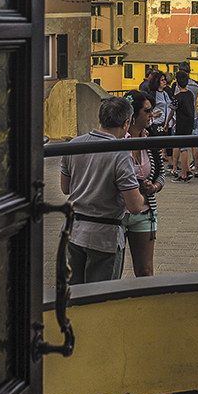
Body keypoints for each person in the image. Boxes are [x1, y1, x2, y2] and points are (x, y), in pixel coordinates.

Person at [60, 97, 148, 282]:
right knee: (100, 300)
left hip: (73, 231)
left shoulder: (73, 144)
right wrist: (141, 191)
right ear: (126, 123)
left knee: (74, 296)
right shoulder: (120, 154)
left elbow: (65, 188)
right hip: (104, 237)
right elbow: (134, 206)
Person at [121, 90, 165, 277]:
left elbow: (161, 175)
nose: (151, 115)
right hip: (117, 213)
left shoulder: (151, 138)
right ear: (133, 115)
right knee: (113, 270)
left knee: (146, 271)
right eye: (147, 111)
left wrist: (153, 187)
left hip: (145, 212)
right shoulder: (117, 141)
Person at [167, 70, 196, 181]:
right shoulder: (190, 95)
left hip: (181, 124)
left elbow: (172, 111)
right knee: (185, 147)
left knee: (183, 148)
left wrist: (167, 123)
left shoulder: (177, 97)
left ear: (177, 84)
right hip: (189, 123)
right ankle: (187, 170)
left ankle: (183, 174)